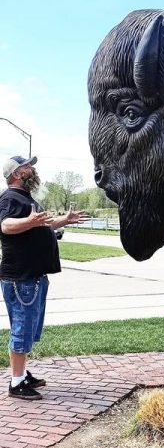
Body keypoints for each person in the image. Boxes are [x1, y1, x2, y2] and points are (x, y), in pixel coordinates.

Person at [0, 155, 87, 400]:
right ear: (17, 174)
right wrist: (28, 221)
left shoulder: (26, 199)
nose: (32, 170)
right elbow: (5, 226)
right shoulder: (9, 198)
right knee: (21, 329)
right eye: (27, 167)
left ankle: (22, 373)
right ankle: (16, 383)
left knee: (28, 329)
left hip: (33, 278)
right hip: (21, 279)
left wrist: (64, 221)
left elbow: (42, 225)